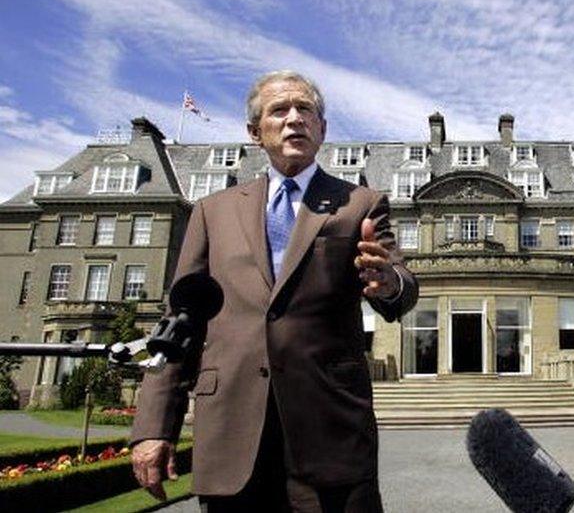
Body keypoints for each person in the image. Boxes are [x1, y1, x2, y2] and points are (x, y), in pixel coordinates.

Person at [130, 70, 418, 512]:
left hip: (330, 427)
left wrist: (387, 283)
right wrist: (154, 426)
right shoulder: (213, 211)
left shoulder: (360, 203)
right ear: (254, 132)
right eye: (279, 110)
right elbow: (179, 319)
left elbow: (399, 281)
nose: (294, 119)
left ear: (322, 129)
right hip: (231, 427)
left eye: (306, 109)